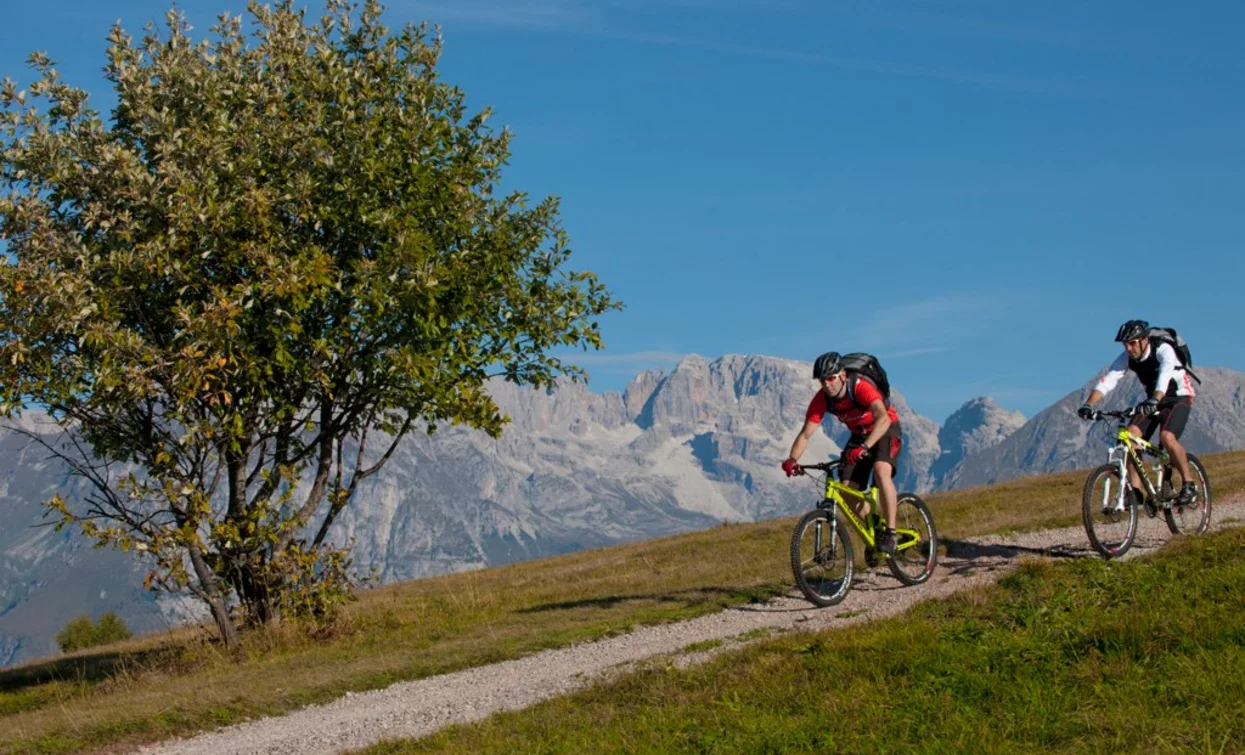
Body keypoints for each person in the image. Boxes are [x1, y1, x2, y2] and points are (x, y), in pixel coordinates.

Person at [781, 351, 903, 554]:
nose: (827, 384)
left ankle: (890, 533)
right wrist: (792, 459)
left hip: (885, 429)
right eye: (822, 380)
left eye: (831, 378)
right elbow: (805, 434)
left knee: (881, 471)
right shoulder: (822, 399)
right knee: (846, 489)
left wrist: (865, 447)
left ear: (843, 375)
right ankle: (874, 530)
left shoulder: (860, 387)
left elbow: (883, 419)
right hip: (859, 435)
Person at [1078, 319, 1198, 507]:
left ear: (1144, 340)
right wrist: (1088, 404)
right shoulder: (1127, 357)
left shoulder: (1163, 349)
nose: (1128, 348)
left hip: (1178, 397)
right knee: (1130, 436)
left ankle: (1189, 484)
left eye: (1132, 343)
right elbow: (1109, 380)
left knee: (1167, 437)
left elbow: (1165, 374)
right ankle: (1135, 492)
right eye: (1125, 344)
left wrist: (1155, 399)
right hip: (1153, 400)